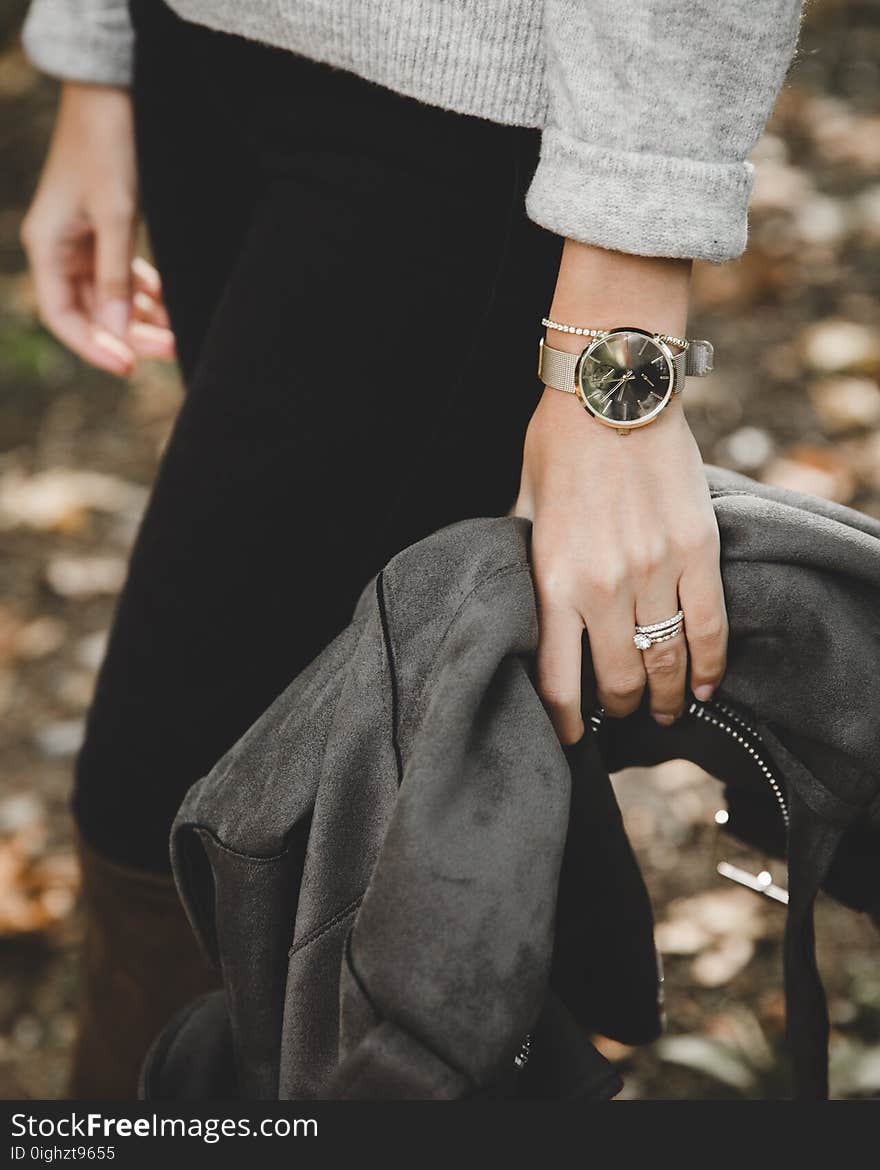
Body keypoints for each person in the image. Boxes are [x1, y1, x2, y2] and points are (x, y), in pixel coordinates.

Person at [19, 0, 804, 1097]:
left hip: (456, 108)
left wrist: (616, 349)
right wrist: (95, 55)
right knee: (378, 758)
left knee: (177, 807)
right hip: (197, 50)